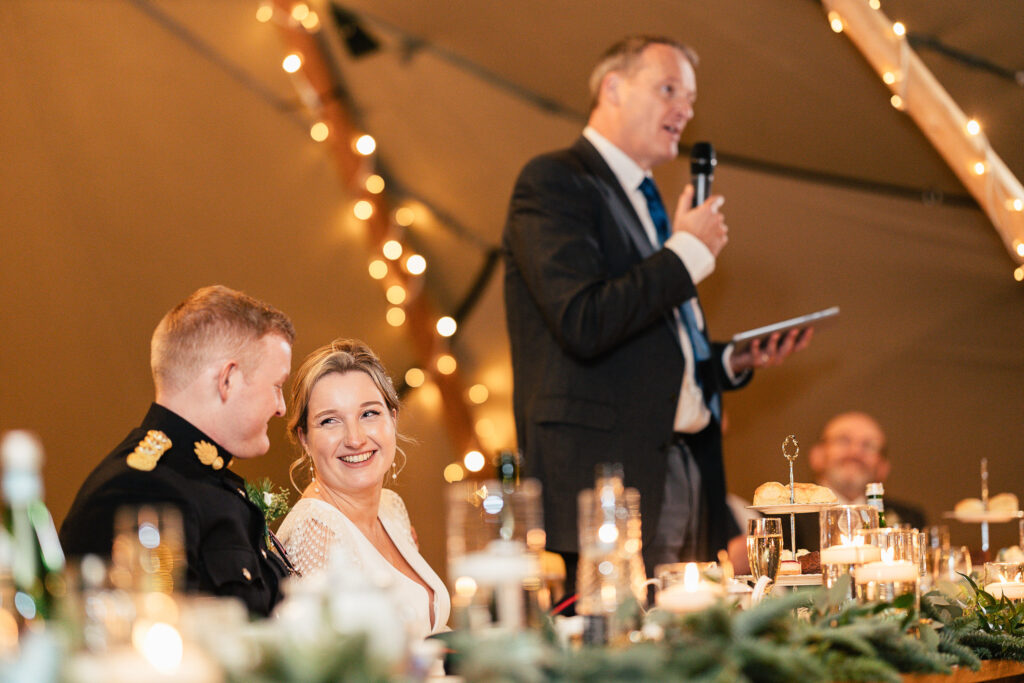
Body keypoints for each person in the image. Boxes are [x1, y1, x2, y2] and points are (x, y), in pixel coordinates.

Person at [502, 35, 810, 592]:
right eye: (668, 89)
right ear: (613, 88)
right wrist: (687, 253)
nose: (684, 110)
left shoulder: (645, 202)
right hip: (609, 479)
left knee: (687, 643)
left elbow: (647, 343)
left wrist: (726, 360)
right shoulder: (555, 181)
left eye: (690, 99)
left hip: (686, 466)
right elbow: (584, 320)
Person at [60, 285, 296, 616]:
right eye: (277, 386)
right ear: (227, 379)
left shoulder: (211, 482)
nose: (281, 407)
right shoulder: (138, 490)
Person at [275, 339, 450, 640]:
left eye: (369, 414)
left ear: (392, 419)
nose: (355, 439)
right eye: (330, 421)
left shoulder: (391, 507)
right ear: (304, 439)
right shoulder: (316, 532)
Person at [793, 411, 927, 549]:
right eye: (843, 441)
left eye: (869, 445)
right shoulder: (788, 518)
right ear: (817, 456)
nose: (855, 452)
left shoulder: (910, 519)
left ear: (883, 467)